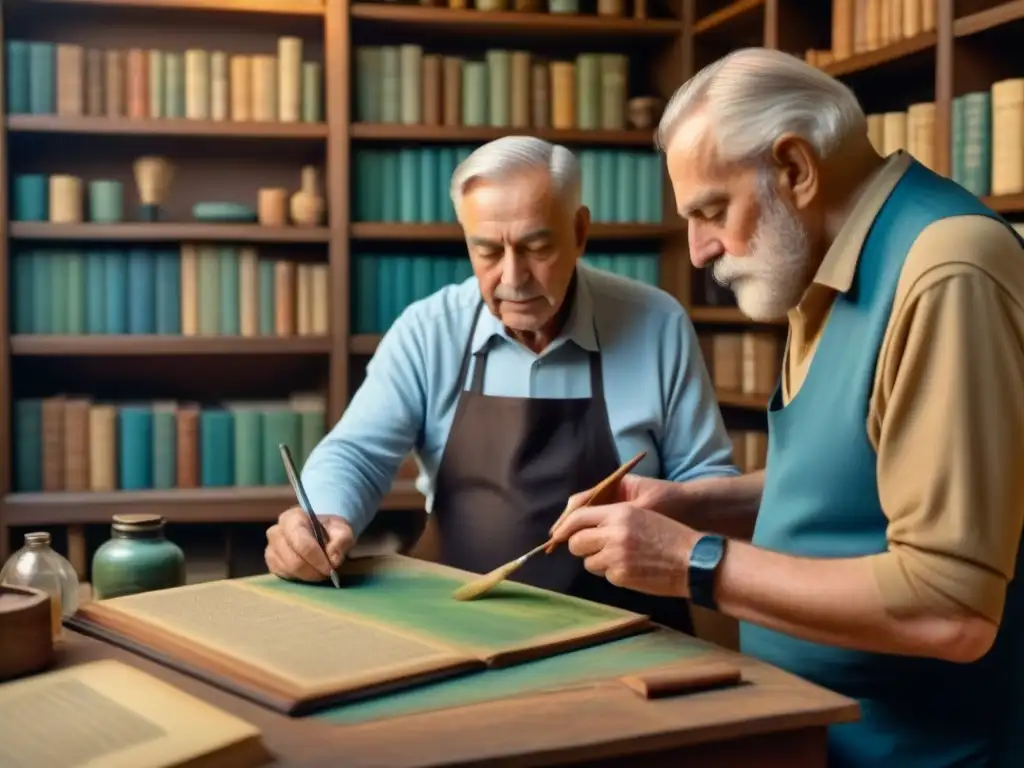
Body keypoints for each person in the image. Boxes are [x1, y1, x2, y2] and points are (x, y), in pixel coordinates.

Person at [549, 48, 1024, 767]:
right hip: (817, 734)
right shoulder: (820, 262)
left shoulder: (947, 269)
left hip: (922, 751)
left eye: (712, 211)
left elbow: (950, 610)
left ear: (795, 169)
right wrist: (697, 505)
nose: (700, 251)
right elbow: (872, 483)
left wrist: (691, 562)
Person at [263, 135, 738, 633]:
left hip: (632, 634)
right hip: (462, 631)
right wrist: (322, 521)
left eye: (538, 247)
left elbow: (709, 483)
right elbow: (357, 453)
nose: (514, 277)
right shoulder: (429, 329)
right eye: (487, 251)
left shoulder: (656, 323)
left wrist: (675, 523)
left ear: (579, 232)